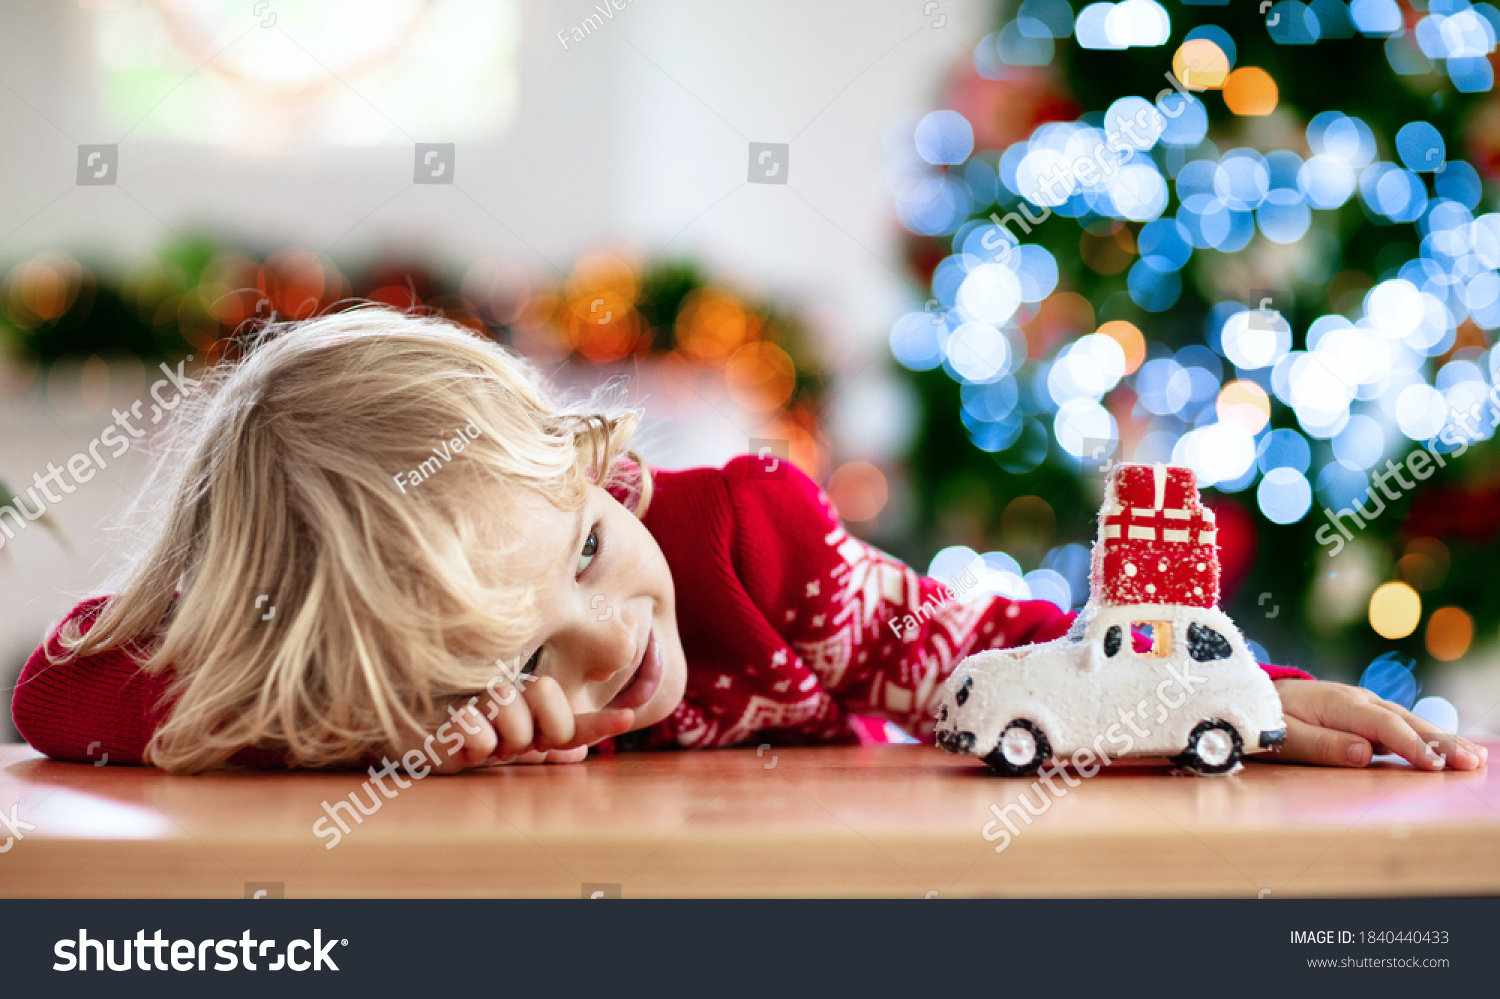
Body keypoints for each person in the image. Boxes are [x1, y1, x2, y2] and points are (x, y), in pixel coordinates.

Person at [10, 308, 1488, 776]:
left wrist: (1225, 698)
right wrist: (351, 719)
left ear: (610, 477)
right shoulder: (380, 689)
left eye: (582, 555)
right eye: (518, 650)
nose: (611, 644)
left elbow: (988, 657)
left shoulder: (758, 544)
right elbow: (61, 690)